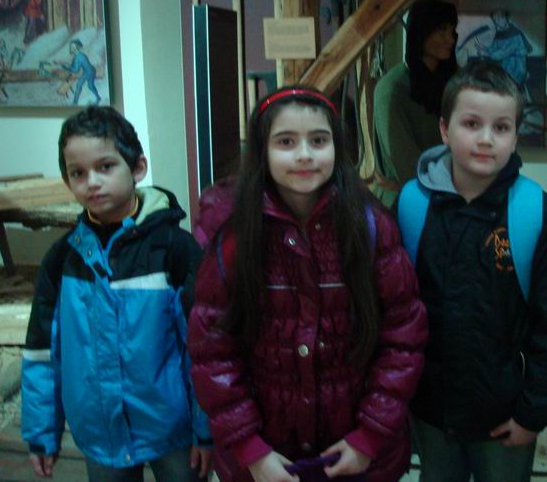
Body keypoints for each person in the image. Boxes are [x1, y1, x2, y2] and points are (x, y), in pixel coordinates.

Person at [187, 86, 428, 482]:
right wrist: (249, 448)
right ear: (262, 150)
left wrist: (370, 435)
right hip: (266, 457)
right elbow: (212, 351)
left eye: (318, 140)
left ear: (338, 146)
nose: (304, 155)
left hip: (356, 452)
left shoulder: (371, 226)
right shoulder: (233, 233)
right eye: (286, 142)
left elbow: (403, 337)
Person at [400, 61, 547, 482]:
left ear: (516, 136)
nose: (485, 139)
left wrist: (534, 413)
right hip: (431, 407)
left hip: (507, 413)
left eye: (501, 127)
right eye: (471, 124)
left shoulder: (537, 213)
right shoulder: (411, 204)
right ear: (445, 129)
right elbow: (395, 313)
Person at [22, 106, 211, 481]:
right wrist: (42, 433)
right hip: (101, 434)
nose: (92, 182)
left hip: (173, 430)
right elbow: (42, 352)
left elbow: (204, 348)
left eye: (105, 166)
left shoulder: (175, 249)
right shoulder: (62, 259)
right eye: (78, 173)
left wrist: (206, 429)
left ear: (137, 168)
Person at [372, 0, 458, 207]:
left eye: (452, 31)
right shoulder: (392, 90)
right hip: (405, 204)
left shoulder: (451, 84)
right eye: (441, 30)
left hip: (447, 199)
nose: (450, 39)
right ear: (421, 32)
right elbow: (407, 166)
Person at [62, 39, 102, 105]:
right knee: (90, 86)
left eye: (72, 47)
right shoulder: (78, 55)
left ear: (76, 47)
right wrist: (65, 65)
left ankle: (75, 103)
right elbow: (73, 65)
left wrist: (65, 68)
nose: (70, 48)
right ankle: (98, 98)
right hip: (91, 70)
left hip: (89, 72)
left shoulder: (79, 57)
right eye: (70, 47)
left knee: (79, 85)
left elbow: (75, 70)